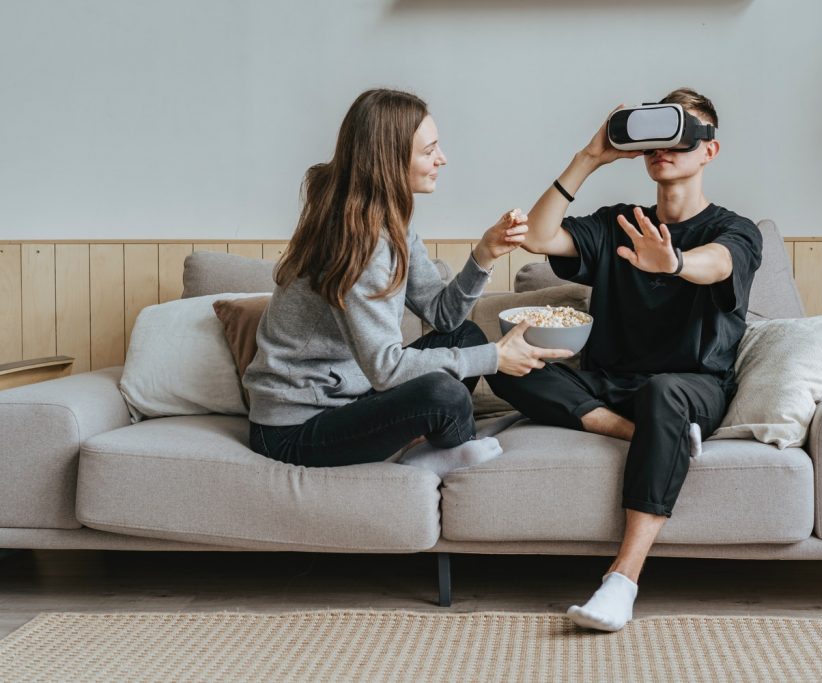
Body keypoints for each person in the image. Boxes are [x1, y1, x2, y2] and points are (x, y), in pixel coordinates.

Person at [487, 87, 763, 632]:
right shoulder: (618, 223)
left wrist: (675, 261)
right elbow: (540, 238)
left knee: (663, 393)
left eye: (682, 136)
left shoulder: (736, 230)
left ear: (709, 150)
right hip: (608, 382)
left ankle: (622, 580)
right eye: (657, 140)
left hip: (690, 386)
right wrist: (590, 157)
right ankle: (652, 436)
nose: (666, 149)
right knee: (505, 363)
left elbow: (716, 265)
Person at [243, 88, 572, 476]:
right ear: (390, 158)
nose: (442, 159)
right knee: (443, 393)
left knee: (464, 336)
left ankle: (431, 444)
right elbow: (386, 369)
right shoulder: (359, 244)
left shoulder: (389, 221)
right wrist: (496, 358)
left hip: (351, 394)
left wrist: (484, 253)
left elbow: (443, 316)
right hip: (292, 428)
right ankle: (446, 453)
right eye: (429, 151)